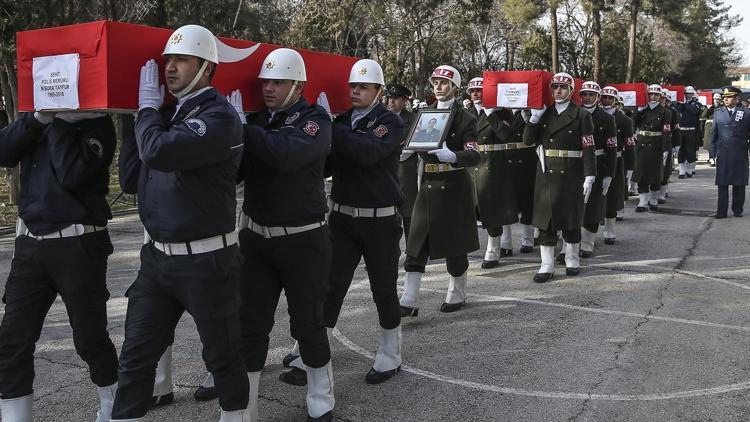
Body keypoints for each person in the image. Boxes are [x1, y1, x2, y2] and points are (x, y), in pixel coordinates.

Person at [111, 25, 250, 421]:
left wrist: (147, 112)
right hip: (157, 262)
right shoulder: (166, 114)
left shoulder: (218, 117)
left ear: (206, 67)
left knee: (222, 358)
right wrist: (134, 119)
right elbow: (131, 178)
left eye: (181, 60)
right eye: (167, 60)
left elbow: (158, 151)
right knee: (135, 359)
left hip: (207, 262)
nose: (169, 68)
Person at [225, 48, 335, 421]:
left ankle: (321, 396)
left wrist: (242, 128)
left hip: (303, 240)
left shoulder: (315, 119)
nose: (269, 88)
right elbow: (235, 173)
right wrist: (232, 133)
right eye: (265, 82)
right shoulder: (256, 121)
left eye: (278, 82)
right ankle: (247, 406)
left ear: (298, 85)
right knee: (251, 325)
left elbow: (285, 155)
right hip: (256, 239)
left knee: (307, 322)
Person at [0, 110, 118, 422]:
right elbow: (3, 152)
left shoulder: (97, 123)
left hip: (78, 246)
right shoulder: (37, 121)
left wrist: (63, 122)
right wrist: (38, 120)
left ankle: (113, 410)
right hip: (30, 246)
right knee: (12, 340)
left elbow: (71, 172)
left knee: (90, 338)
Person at [320, 59, 405, 385]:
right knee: (331, 286)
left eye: (364, 87)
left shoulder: (390, 122)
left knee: (383, 288)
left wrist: (332, 128)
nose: (356, 91)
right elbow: (328, 165)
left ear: (379, 92)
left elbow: (366, 152)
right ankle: (315, 347)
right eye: (353, 86)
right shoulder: (340, 121)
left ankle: (390, 352)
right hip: (342, 217)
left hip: (379, 221)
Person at [399, 65, 480, 315]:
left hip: (454, 184)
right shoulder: (424, 114)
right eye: (435, 82)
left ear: (455, 87)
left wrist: (453, 155)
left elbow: (474, 155)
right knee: (415, 243)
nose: (438, 87)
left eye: (444, 83)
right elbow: (412, 145)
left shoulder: (466, 118)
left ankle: (457, 292)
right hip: (428, 184)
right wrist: (406, 149)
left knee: (454, 246)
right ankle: (409, 299)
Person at [523, 72, 596, 282]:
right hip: (546, 173)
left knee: (571, 219)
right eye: (554, 87)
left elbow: (588, 147)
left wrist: (590, 174)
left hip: (571, 172)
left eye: (563, 87)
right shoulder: (544, 114)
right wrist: (534, 119)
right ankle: (547, 264)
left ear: (571, 91)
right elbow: (528, 140)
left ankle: (572, 258)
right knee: (546, 221)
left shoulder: (582, 115)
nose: (558, 91)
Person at [574, 81, 617, 259]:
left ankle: (587, 243)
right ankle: (572, 242)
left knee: (592, 206)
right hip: (576, 164)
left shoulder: (607, 119)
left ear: (598, 97)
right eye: (584, 94)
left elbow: (611, 148)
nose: (588, 97)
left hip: (598, 163)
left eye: (592, 94)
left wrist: (609, 174)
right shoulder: (574, 114)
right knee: (575, 205)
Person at [600, 86, 635, 244]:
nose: (606, 100)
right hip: (598, 160)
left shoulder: (625, 120)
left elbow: (629, 144)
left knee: (613, 198)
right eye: (604, 97)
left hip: (617, 160)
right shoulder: (594, 116)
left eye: (609, 98)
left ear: (615, 100)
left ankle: (609, 231)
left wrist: (630, 167)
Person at [709, 86, 750, 218]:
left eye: (729, 97)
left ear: (737, 98)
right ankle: (721, 211)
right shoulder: (718, 113)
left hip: (739, 152)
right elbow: (713, 135)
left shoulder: (746, 113)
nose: (725, 99)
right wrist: (712, 153)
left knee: (739, 183)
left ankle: (737, 209)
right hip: (723, 153)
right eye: (724, 97)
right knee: (722, 183)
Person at [632, 84, 671, 212]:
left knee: (655, 173)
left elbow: (666, 131)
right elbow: (632, 123)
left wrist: (665, 148)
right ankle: (643, 201)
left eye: (656, 94)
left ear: (660, 96)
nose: (653, 97)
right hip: (642, 142)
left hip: (656, 143)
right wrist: (638, 110)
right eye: (650, 94)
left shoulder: (665, 112)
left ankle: (653, 198)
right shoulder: (642, 109)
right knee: (641, 172)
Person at [387, 84, 418, 243]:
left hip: (406, 171)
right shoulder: (381, 117)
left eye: (396, 98)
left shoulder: (413, 119)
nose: (391, 102)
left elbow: (414, 145)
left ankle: (412, 253)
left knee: (408, 213)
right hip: (385, 172)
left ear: (405, 100)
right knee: (386, 215)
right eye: (390, 98)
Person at [677, 86, 705, 178]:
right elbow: (677, 111)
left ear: (692, 94)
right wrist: (681, 104)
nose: (687, 95)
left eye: (689, 93)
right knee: (681, 151)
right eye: (686, 93)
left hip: (691, 130)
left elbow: (695, 111)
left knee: (690, 150)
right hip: (682, 130)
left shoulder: (696, 103)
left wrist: (685, 104)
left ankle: (689, 168)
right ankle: (682, 169)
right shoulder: (681, 104)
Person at [702, 92, 722, 166]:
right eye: (715, 99)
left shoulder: (722, 107)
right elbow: (702, 116)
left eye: (718, 99)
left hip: (719, 125)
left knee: (718, 142)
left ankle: (716, 157)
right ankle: (711, 158)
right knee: (710, 142)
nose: (716, 100)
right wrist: (708, 108)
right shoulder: (709, 107)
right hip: (710, 125)